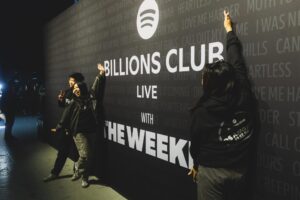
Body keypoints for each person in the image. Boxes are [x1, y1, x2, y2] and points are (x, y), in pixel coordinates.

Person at [188, 11, 259, 200]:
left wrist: (196, 165)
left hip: (212, 174)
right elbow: (236, 61)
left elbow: (195, 146)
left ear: (210, 85)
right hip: (241, 170)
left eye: (204, 78)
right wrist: (229, 31)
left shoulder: (202, 112)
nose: (201, 80)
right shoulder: (243, 92)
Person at [55, 64, 106, 188]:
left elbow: (96, 86)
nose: (75, 89)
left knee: (90, 156)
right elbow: (65, 115)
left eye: (77, 87)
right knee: (85, 155)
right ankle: (77, 167)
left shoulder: (91, 98)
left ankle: (85, 177)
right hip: (78, 131)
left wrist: (101, 74)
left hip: (92, 130)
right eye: (74, 88)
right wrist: (59, 127)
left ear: (82, 89)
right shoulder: (73, 101)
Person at [43, 72, 84, 182]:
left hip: (76, 128)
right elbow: (63, 107)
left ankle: (77, 172)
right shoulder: (67, 92)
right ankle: (54, 173)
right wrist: (60, 99)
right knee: (62, 152)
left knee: (77, 154)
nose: (70, 82)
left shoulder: (81, 94)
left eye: (73, 81)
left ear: (78, 83)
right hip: (66, 129)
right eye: (70, 80)